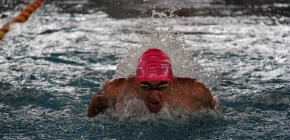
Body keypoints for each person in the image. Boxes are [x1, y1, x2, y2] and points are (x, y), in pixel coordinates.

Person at [87, 48, 215, 118]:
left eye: (162, 86)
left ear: (171, 83)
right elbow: (91, 116)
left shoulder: (196, 92)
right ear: (137, 84)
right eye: (145, 86)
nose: (154, 95)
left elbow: (214, 117)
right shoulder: (114, 91)